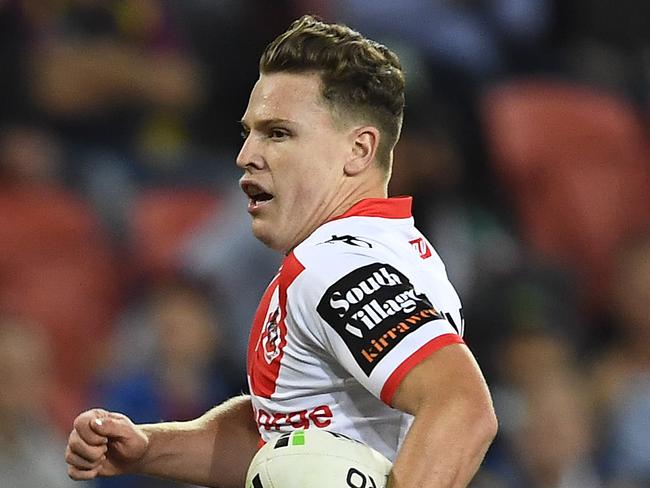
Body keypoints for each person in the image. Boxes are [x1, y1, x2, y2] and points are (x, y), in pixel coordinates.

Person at [64, 15, 497, 487]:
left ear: (358, 150)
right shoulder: (396, 250)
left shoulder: (338, 265)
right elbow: (285, 442)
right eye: (249, 131)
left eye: (278, 133)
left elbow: (461, 407)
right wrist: (149, 448)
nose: (246, 154)